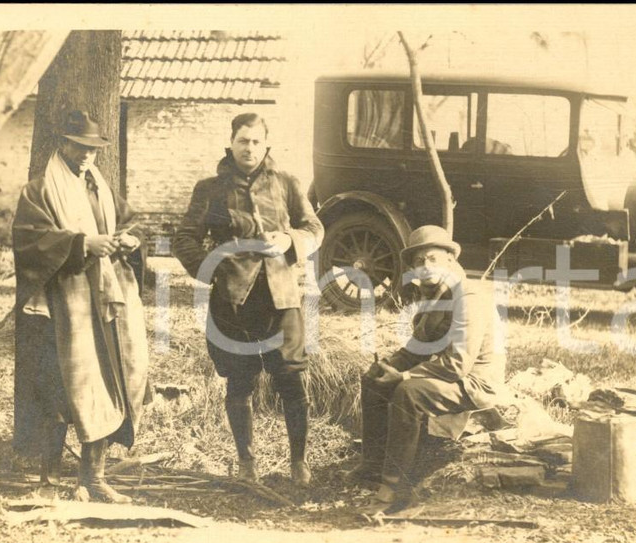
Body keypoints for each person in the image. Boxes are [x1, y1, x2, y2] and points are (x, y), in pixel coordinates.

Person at [173, 113, 324, 487]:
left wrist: (290, 241)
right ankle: (246, 463)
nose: (249, 148)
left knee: (291, 379)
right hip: (233, 300)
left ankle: (299, 463)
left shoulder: (287, 183)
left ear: (266, 145)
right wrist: (213, 269)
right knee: (239, 382)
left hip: (281, 296)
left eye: (256, 141)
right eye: (243, 141)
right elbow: (184, 238)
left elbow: (314, 227)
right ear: (232, 142)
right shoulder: (210, 189)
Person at [12, 110, 149, 503]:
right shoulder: (39, 190)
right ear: (63, 143)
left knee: (108, 379)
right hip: (61, 304)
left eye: (94, 148)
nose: (88, 155)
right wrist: (82, 245)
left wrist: (129, 240)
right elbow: (29, 241)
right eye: (81, 146)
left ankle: (94, 477)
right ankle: (48, 480)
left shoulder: (99, 188)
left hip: (102, 300)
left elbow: (129, 222)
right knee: (60, 385)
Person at [350, 225, 506, 513]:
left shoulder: (468, 297)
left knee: (409, 392)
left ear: (450, 259)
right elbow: (416, 348)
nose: (425, 267)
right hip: (447, 376)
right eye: (419, 262)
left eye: (433, 258)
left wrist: (406, 375)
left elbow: (458, 364)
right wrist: (388, 366)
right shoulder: (435, 295)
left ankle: (393, 487)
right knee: (374, 381)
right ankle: (371, 466)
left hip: (475, 384)